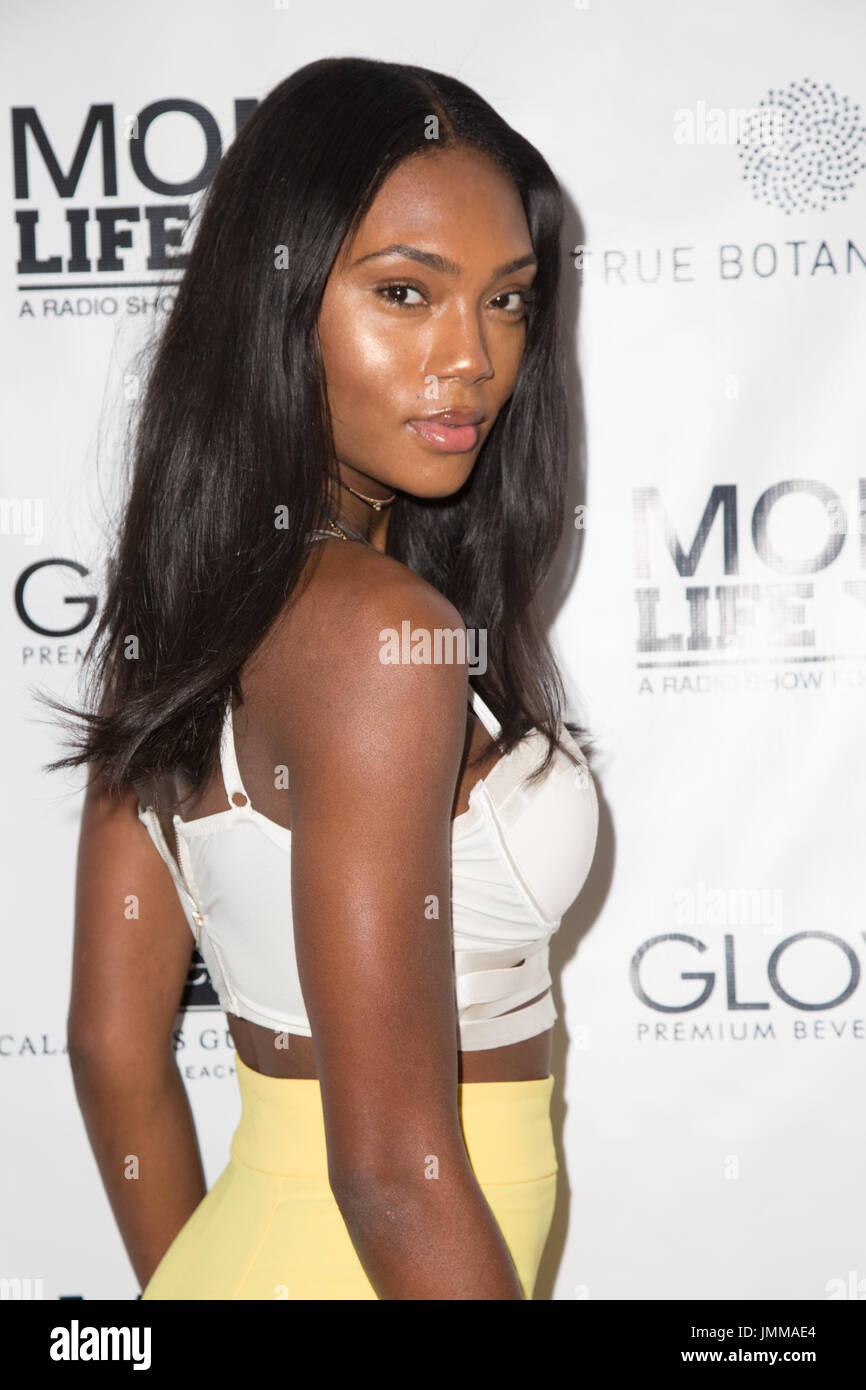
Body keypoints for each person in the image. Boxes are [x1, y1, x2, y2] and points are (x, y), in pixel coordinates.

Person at [42, 56, 599, 1300]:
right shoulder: (378, 633)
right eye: (406, 293)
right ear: (273, 303)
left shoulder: (200, 602)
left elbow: (108, 1047)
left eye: (507, 301)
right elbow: (395, 1171)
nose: (471, 358)